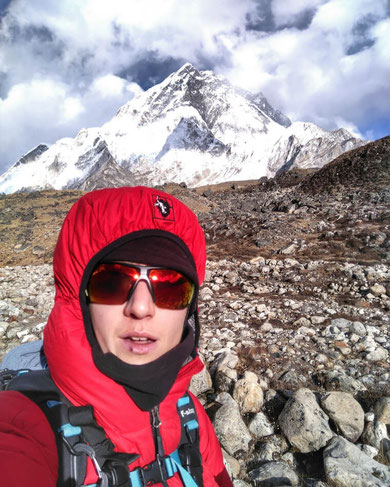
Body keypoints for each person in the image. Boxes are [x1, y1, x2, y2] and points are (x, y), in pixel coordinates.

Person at [0, 186, 233, 487]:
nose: (140, 307)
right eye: (112, 282)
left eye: (171, 288)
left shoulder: (192, 417)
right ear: (81, 299)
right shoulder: (24, 427)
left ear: (190, 308)